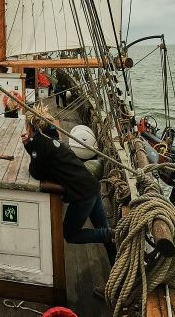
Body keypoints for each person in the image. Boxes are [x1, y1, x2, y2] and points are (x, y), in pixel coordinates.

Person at [21, 104, 115, 266]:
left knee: (71, 234)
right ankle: (116, 266)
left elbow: (36, 172)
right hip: (92, 186)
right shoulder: (52, 137)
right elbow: (46, 159)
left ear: (30, 126)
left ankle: (108, 235)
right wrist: (31, 146)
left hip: (82, 195)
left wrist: (29, 145)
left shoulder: (39, 143)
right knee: (104, 232)